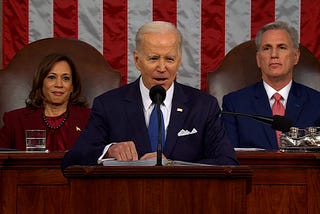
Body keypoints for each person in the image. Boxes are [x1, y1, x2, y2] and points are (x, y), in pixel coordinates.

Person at [62, 21, 238, 169]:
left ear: (179, 60)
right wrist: (109, 150)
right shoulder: (109, 105)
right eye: (153, 58)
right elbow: (72, 161)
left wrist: (173, 166)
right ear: (137, 60)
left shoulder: (203, 106)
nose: (162, 68)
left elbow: (227, 162)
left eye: (169, 59)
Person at [221, 21, 320, 150]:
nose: (274, 55)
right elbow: (229, 158)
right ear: (258, 59)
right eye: (267, 48)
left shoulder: (317, 102)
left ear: (295, 56)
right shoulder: (235, 104)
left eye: (282, 47)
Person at [0, 53, 91, 151]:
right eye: (52, 77)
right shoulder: (15, 121)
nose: (59, 84)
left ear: (72, 86)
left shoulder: (90, 118)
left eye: (66, 78)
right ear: (40, 82)